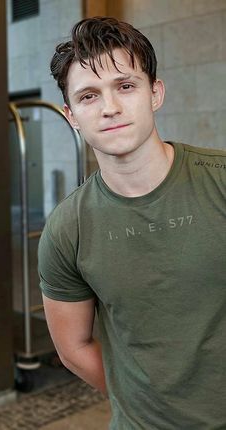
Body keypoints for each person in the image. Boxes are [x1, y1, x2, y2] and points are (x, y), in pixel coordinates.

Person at [38, 16, 226, 429]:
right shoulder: (67, 229)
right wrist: (145, 402)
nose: (110, 108)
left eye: (125, 86)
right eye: (89, 96)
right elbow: (73, 348)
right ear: (71, 114)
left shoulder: (220, 181)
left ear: (154, 93)